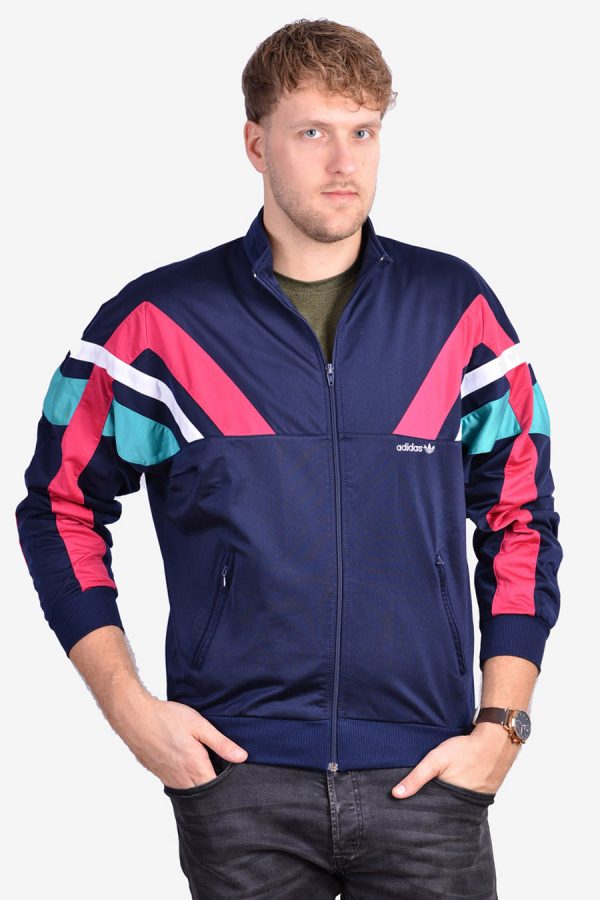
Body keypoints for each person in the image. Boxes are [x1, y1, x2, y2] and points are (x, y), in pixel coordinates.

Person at [15, 17, 562, 900]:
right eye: (312, 132)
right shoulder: (157, 325)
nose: (344, 163)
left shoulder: (455, 311)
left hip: (428, 772)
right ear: (255, 143)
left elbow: (521, 515)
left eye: (363, 132)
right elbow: (59, 506)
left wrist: (502, 724)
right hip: (239, 776)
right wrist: (129, 710)